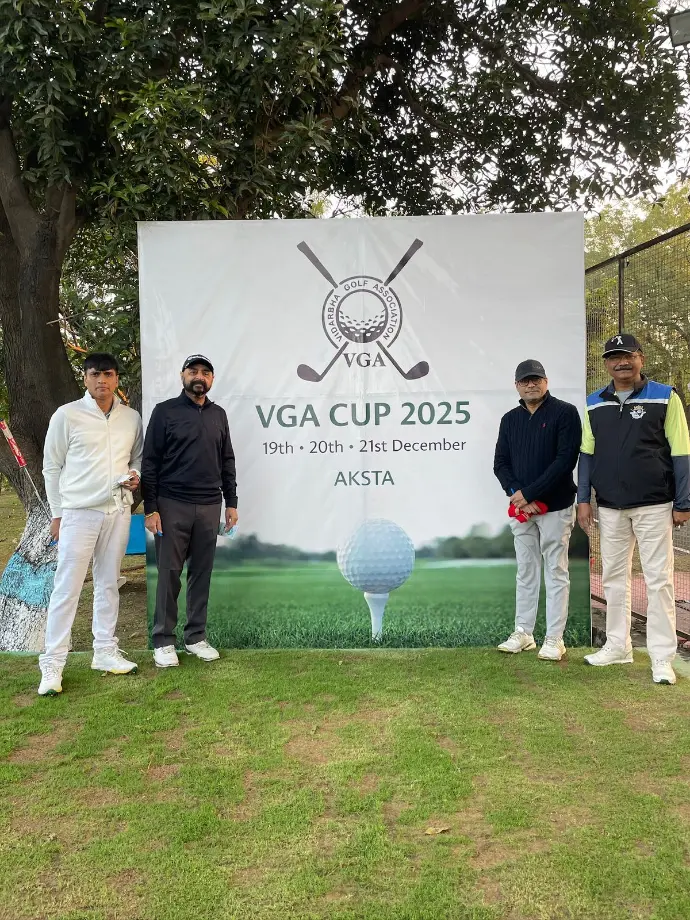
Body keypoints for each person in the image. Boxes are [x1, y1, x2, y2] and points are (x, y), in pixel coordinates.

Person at [577, 333, 690, 685]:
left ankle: (662, 658)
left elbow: (681, 452)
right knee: (613, 578)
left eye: (627, 355)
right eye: (614, 357)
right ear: (606, 364)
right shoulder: (593, 403)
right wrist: (583, 499)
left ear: (641, 358)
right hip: (610, 506)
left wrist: (684, 502)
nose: (621, 362)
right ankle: (618, 646)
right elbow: (587, 455)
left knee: (659, 580)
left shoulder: (665, 396)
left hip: (655, 504)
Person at [38, 353, 143, 696]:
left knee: (109, 582)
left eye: (108, 374)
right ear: (85, 378)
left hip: (117, 511)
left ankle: (105, 651)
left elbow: (137, 458)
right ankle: (52, 664)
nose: (102, 380)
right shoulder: (67, 415)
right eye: (95, 374)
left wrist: (135, 474)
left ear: (116, 379)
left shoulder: (131, 418)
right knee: (67, 588)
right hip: (78, 513)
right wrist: (57, 514)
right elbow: (51, 467)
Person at [141, 354, 238, 668]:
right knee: (169, 574)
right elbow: (150, 462)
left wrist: (231, 502)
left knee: (201, 573)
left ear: (211, 379)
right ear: (183, 375)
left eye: (205, 372)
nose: (199, 376)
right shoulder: (165, 412)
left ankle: (196, 637)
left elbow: (227, 460)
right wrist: (151, 508)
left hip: (210, 505)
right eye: (193, 371)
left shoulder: (219, 414)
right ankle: (163, 641)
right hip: (172, 505)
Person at [494, 359, 582, 661]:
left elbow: (565, 461)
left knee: (556, 570)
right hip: (522, 510)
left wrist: (529, 494)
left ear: (546, 382)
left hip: (556, 507)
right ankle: (524, 633)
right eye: (525, 380)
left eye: (536, 379)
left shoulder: (565, 413)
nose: (531, 384)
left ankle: (555, 638)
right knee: (526, 571)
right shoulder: (510, 419)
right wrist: (517, 494)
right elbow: (500, 464)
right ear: (517, 386)